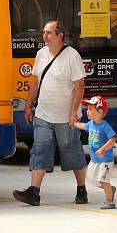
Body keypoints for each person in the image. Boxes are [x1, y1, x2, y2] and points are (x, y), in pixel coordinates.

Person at [13, 20, 88, 206]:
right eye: (43, 32)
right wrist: (28, 105)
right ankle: (34, 192)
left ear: (59, 35)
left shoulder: (72, 56)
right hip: (43, 115)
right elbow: (35, 82)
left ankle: (81, 189)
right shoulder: (41, 54)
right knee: (40, 151)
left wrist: (73, 112)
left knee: (72, 152)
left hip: (66, 117)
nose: (44, 36)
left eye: (48, 33)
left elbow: (79, 87)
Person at [74, 96, 117, 210]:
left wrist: (103, 149)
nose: (87, 112)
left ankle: (109, 201)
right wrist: (73, 123)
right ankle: (109, 188)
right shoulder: (91, 124)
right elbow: (83, 126)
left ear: (100, 111)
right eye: (87, 109)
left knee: (103, 180)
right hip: (95, 160)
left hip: (105, 160)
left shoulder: (105, 126)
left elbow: (113, 139)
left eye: (90, 109)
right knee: (91, 180)